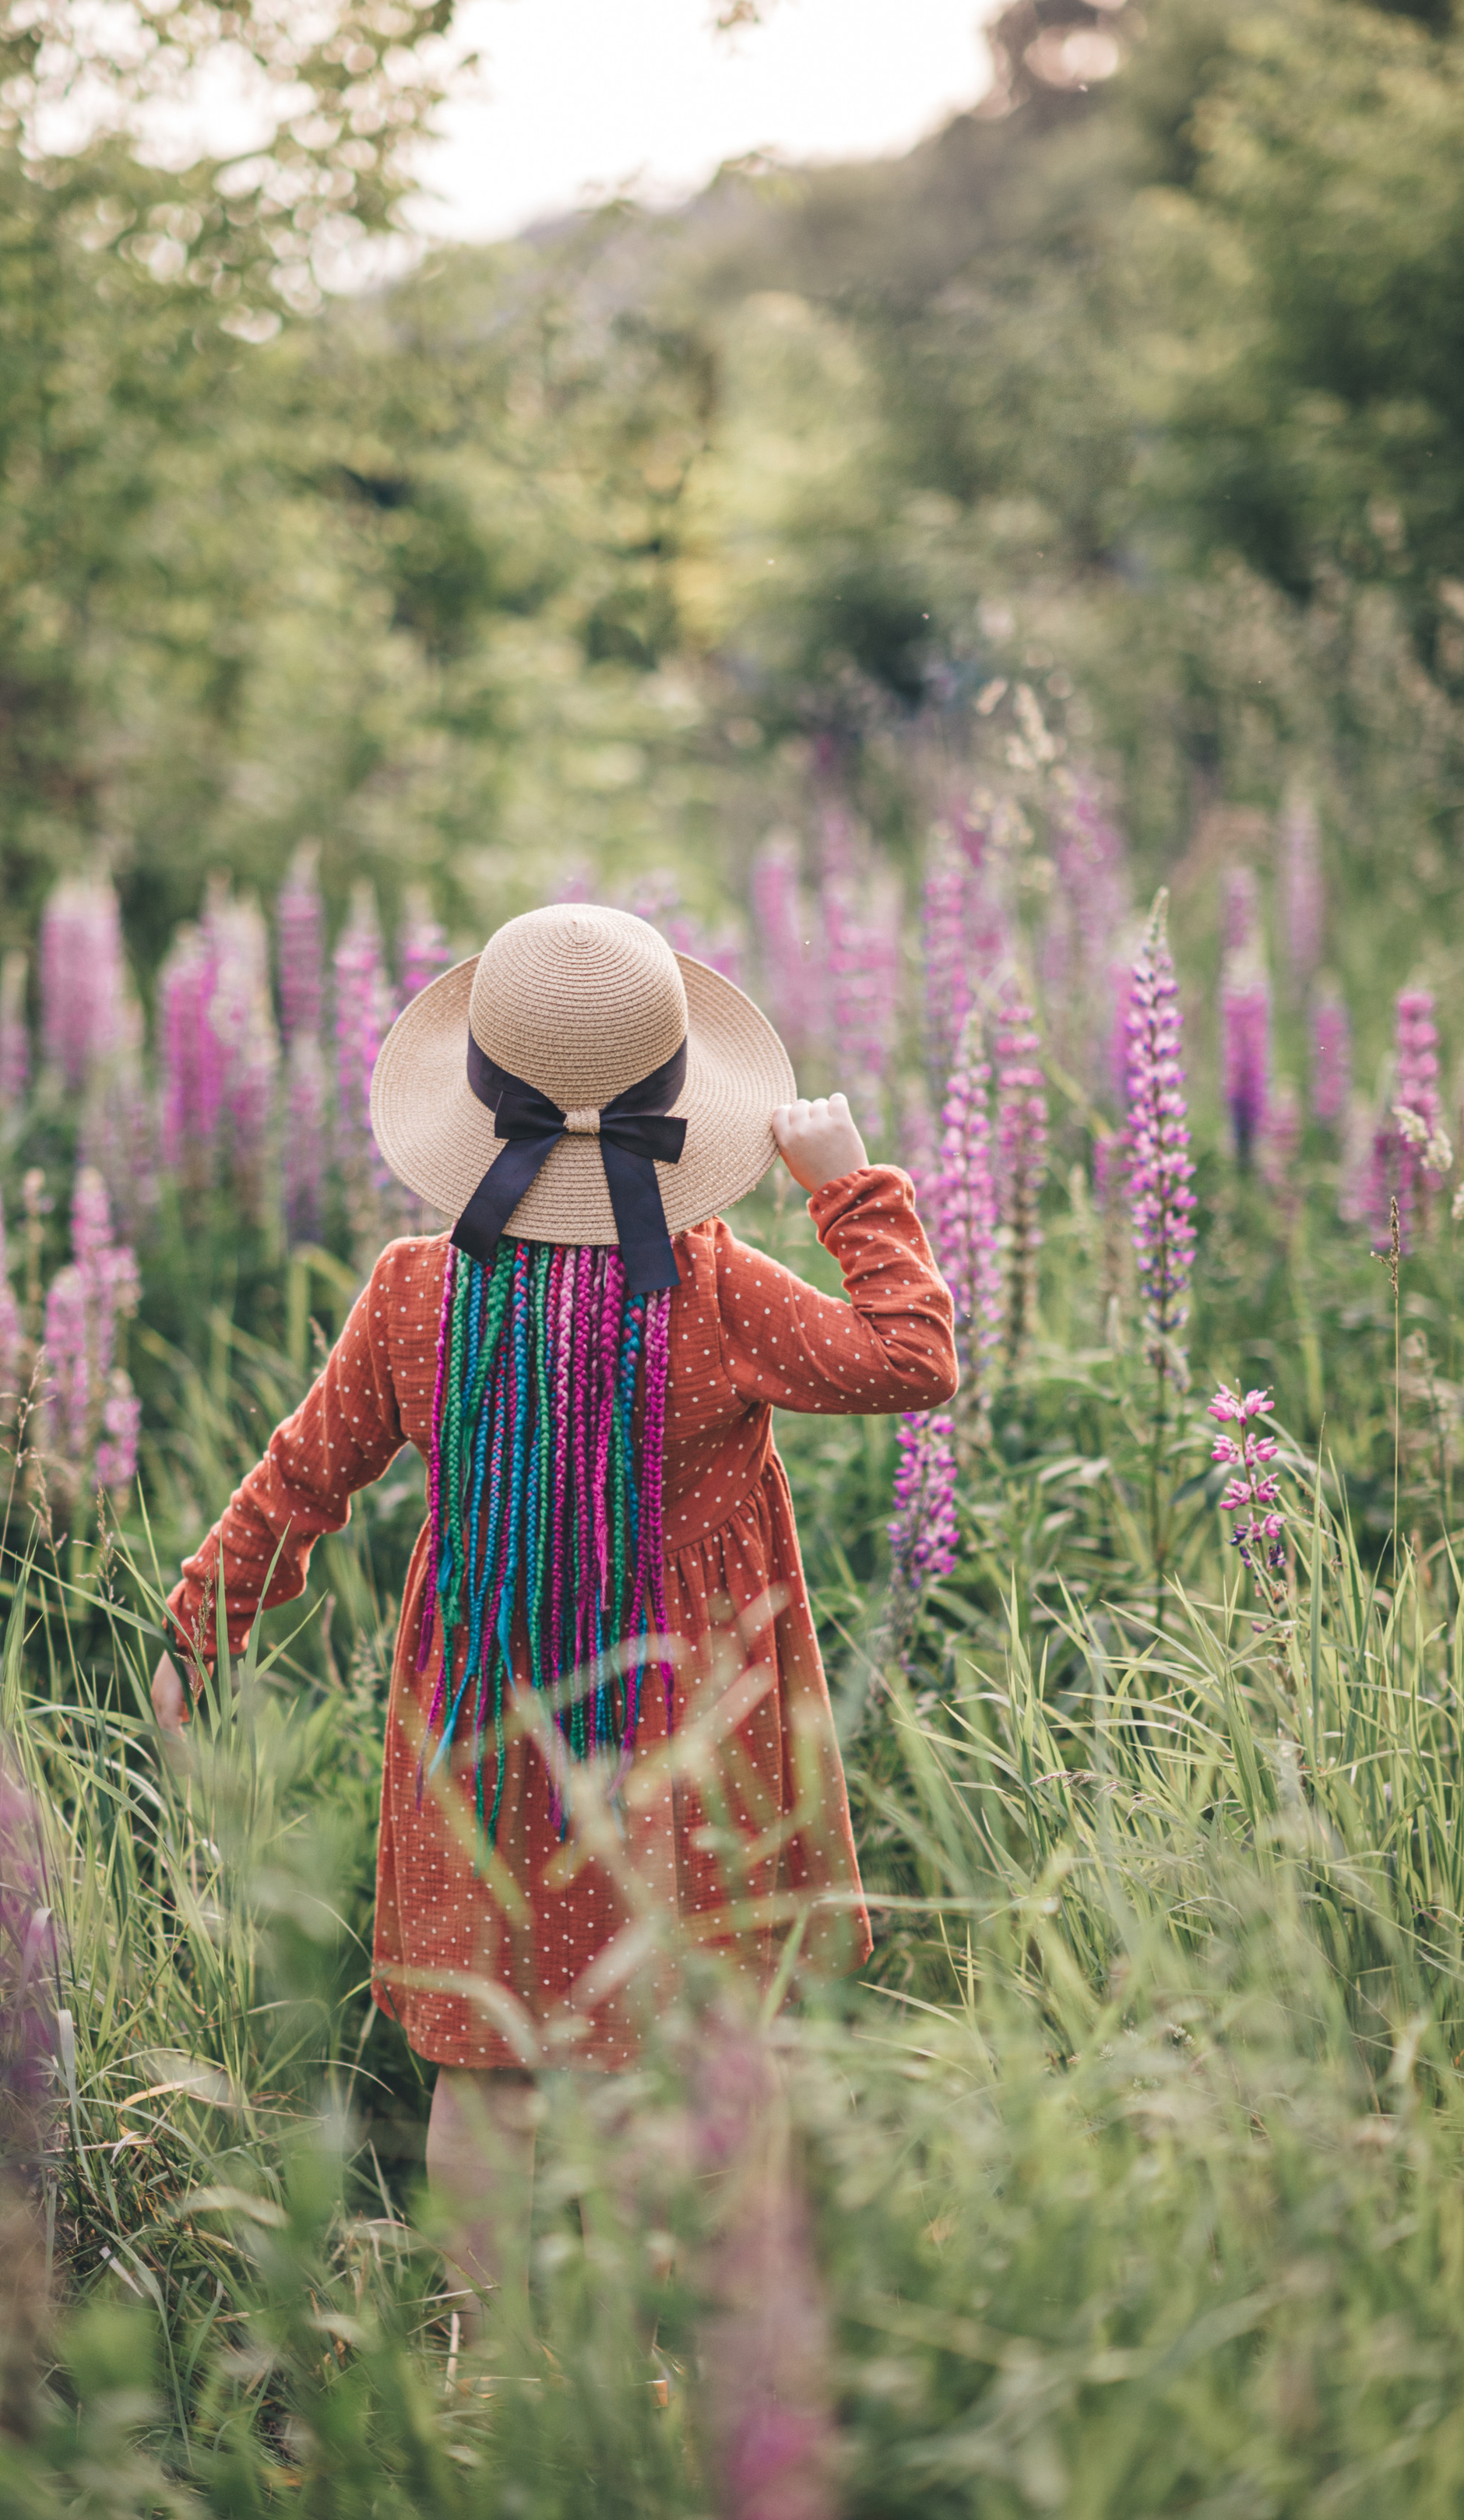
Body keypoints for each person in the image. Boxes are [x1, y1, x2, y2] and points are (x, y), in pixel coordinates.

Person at [153, 902, 956, 2325]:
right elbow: (911, 1356)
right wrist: (849, 1186)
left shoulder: (417, 1293)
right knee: (714, 2053)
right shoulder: (710, 1291)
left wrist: (204, 1623)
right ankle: (719, 2354)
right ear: (680, 1105)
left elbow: (299, 1478)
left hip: (488, 1728)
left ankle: (495, 2375)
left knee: (491, 2068)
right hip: (695, 1721)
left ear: (476, 1099)